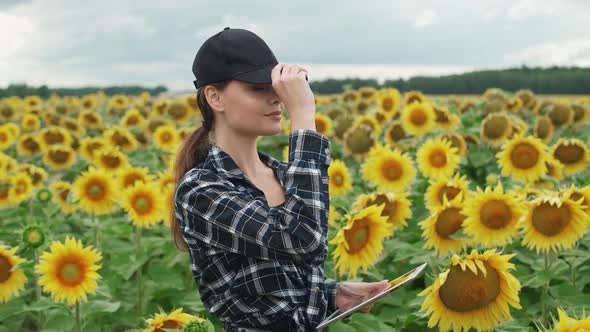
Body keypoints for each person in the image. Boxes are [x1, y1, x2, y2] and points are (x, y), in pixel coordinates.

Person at [170, 27, 390, 332]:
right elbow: (304, 240)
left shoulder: (284, 175)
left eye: (275, 87)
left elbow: (270, 283)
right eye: (258, 88)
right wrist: (303, 114)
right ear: (214, 97)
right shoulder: (201, 190)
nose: (277, 99)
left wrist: (330, 295)